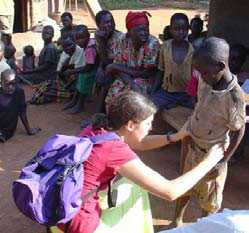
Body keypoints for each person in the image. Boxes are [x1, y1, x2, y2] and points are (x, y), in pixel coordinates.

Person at [57, 90, 224, 233]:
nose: (151, 128)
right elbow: (170, 191)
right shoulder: (114, 150)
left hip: (63, 206)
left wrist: (174, 137)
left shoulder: (98, 129)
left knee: (134, 186)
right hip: (80, 224)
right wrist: (209, 161)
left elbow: (140, 143)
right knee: (137, 186)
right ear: (130, 125)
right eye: (148, 123)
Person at [172, 37, 246, 227]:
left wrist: (222, 162)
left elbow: (239, 130)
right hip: (191, 146)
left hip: (211, 156)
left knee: (209, 201)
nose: (201, 76)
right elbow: (198, 108)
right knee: (184, 187)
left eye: (204, 72)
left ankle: (205, 228)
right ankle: (176, 221)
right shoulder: (207, 80)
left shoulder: (234, 98)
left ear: (221, 66)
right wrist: (187, 138)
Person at [105, 11, 160, 112]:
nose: (144, 33)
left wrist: (116, 66)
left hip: (145, 80)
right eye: (139, 30)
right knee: (115, 91)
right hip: (126, 77)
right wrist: (131, 83)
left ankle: (128, 124)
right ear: (129, 32)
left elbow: (146, 73)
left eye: (146, 28)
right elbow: (119, 68)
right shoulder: (122, 41)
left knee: (132, 97)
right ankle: (112, 120)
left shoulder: (152, 44)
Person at [151, 13, 194, 110]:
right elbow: (160, 71)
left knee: (195, 110)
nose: (181, 32)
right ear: (171, 29)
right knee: (151, 105)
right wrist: (154, 91)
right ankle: (174, 102)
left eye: (184, 29)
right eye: (177, 29)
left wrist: (193, 96)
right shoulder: (165, 47)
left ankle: (177, 103)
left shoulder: (193, 50)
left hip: (186, 93)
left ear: (188, 30)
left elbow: (195, 77)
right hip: (167, 92)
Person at [61, 25, 97, 114]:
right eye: (76, 39)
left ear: (88, 36)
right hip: (89, 68)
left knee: (82, 84)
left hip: (92, 71)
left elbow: (89, 67)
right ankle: (74, 101)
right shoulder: (89, 43)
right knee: (79, 81)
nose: (78, 41)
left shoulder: (89, 49)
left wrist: (72, 71)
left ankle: (79, 105)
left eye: (81, 38)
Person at [94, 10, 124, 113]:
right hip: (109, 66)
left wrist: (102, 42)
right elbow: (102, 57)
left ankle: (98, 114)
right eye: (106, 22)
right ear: (98, 25)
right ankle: (100, 112)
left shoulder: (119, 38)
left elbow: (113, 61)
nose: (110, 24)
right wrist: (100, 68)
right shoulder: (98, 36)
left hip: (121, 68)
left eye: (111, 21)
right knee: (99, 76)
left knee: (106, 81)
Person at [0, 69, 40, 142]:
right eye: (7, 84)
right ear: (1, 83)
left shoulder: (19, 92)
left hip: (6, 130)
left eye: (13, 83)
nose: (11, 87)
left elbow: (22, 112)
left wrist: (29, 130)